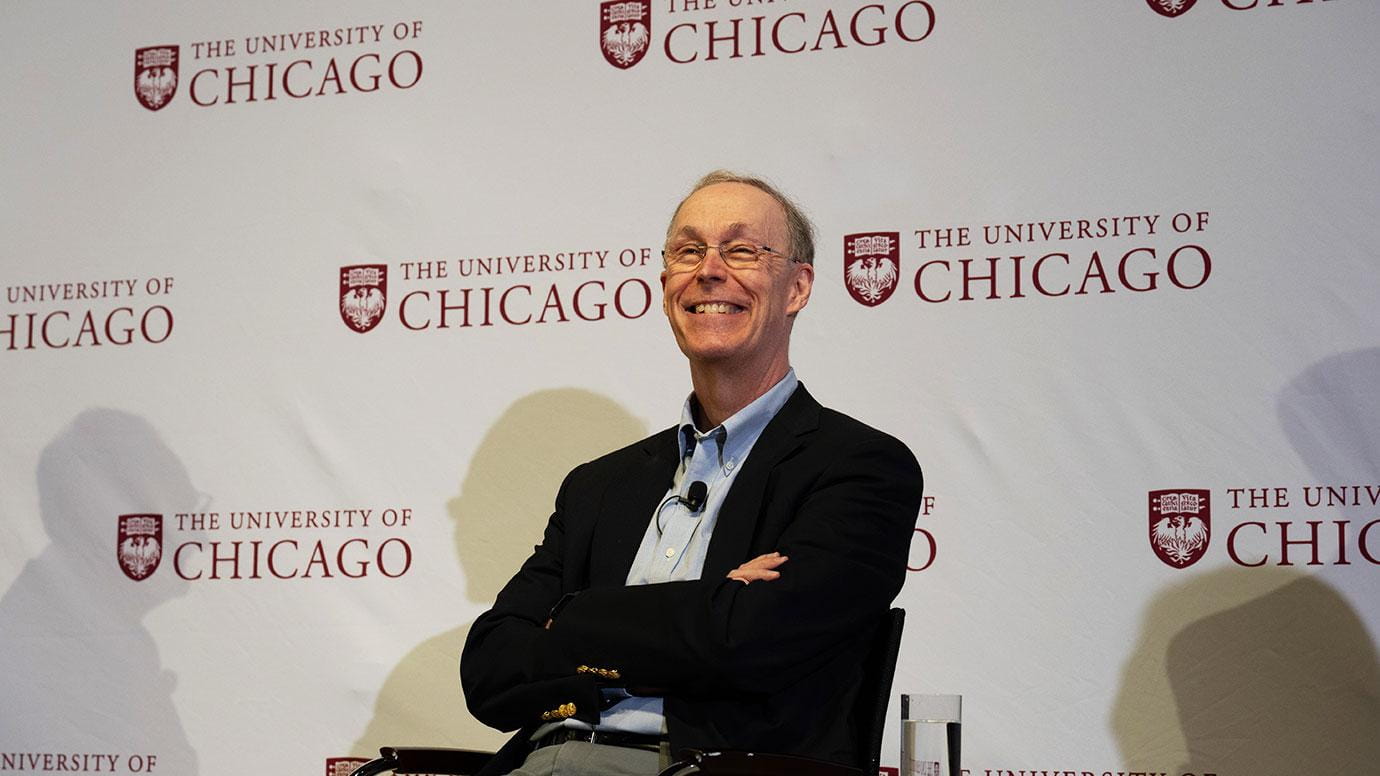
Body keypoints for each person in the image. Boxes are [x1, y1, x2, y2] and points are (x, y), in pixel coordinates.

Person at [461, 171, 924, 776]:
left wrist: (570, 618)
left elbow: (750, 643)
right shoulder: (599, 486)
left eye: (740, 250)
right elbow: (489, 669)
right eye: (688, 251)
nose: (709, 270)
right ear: (664, 285)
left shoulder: (860, 467)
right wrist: (712, 602)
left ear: (797, 288)